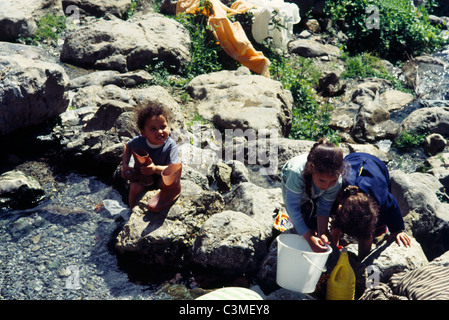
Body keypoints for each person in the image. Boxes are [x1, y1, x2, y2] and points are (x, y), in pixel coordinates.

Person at [331, 152, 411, 261]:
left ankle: (361, 259)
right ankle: (333, 249)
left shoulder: (382, 198)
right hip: (353, 160)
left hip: (376, 166)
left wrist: (397, 230)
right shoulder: (337, 188)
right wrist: (332, 251)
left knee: (368, 230)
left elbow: (393, 206)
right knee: (337, 225)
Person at [281, 139, 345, 252]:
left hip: (313, 184)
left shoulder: (336, 180)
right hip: (291, 178)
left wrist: (322, 233)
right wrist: (308, 238)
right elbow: (292, 207)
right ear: (310, 169)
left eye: (332, 182)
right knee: (300, 221)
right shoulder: (296, 174)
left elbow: (324, 207)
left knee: (312, 221)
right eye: (322, 181)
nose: (326, 186)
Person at [121, 102, 182, 211]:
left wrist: (155, 169)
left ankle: (169, 193)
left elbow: (174, 168)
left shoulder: (170, 145)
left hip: (160, 178)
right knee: (134, 187)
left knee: (167, 182)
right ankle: (131, 210)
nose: (160, 132)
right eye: (153, 129)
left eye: (163, 127)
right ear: (143, 132)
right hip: (142, 177)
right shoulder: (139, 141)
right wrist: (125, 165)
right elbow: (127, 146)